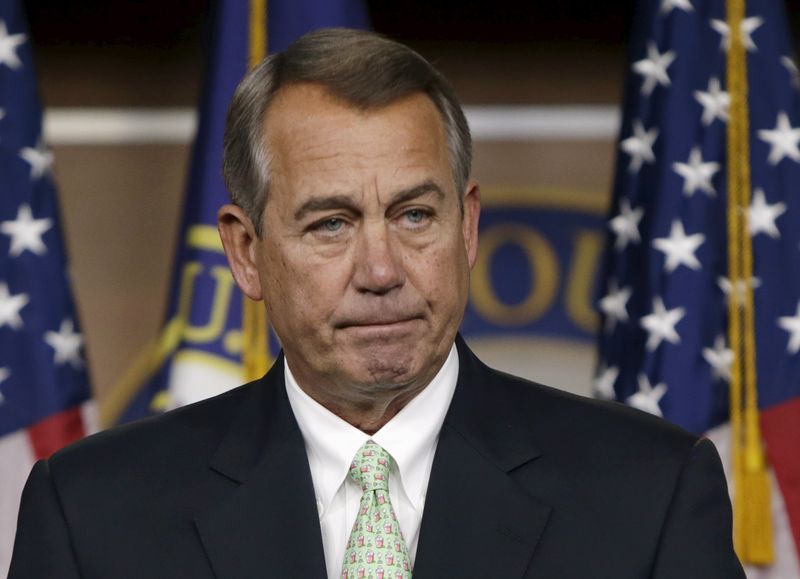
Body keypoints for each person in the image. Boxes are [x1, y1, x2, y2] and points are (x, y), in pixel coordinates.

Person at [9, 28, 744, 578]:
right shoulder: (91, 516)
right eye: (330, 223)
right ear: (246, 251)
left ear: (468, 226)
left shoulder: (650, 496)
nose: (383, 268)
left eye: (414, 215)